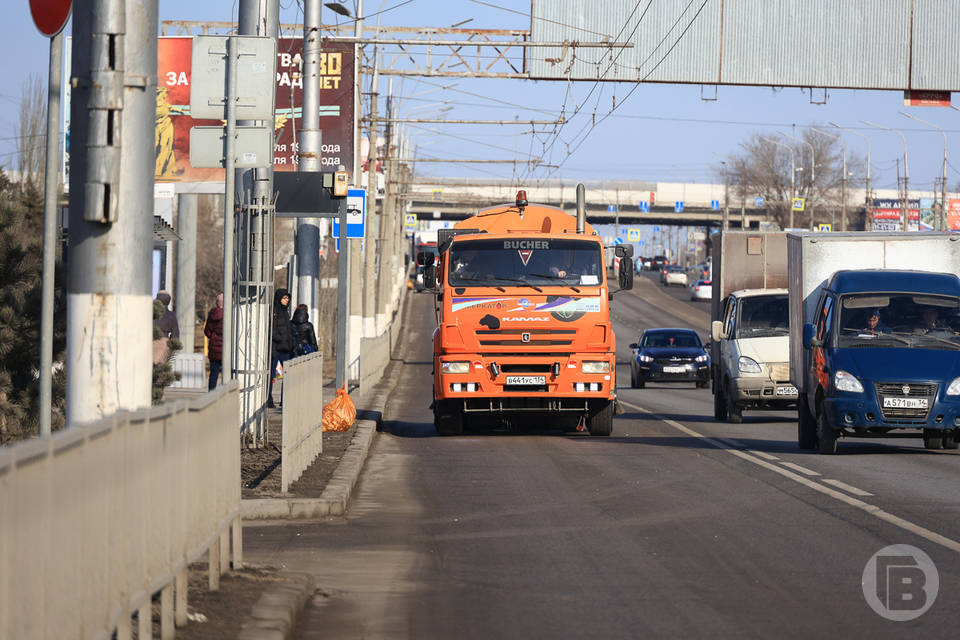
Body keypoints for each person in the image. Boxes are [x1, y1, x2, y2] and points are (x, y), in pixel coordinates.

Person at [268, 288, 294, 408]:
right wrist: (279, 338)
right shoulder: (274, 312)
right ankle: (269, 399)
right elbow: (272, 330)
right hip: (276, 348)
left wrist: (290, 342)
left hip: (286, 349)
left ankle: (285, 399)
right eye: (284, 298)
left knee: (288, 375)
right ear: (279, 299)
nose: (286, 300)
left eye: (287, 298)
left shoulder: (286, 312)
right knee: (271, 375)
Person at [204, 293, 224, 391]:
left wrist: (213, 336)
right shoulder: (228, 314)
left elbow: (207, 331)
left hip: (214, 349)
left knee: (213, 374)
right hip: (225, 350)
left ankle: (211, 393)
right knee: (227, 374)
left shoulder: (212, 314)